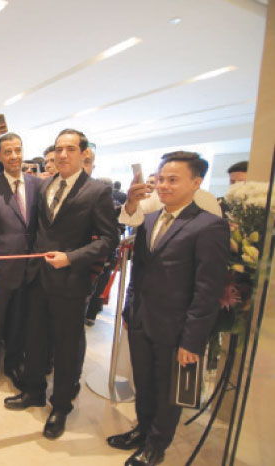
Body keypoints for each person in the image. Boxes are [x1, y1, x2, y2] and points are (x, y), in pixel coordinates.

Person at [108, 151, 228, 466]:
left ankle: (156, 446)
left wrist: (192, 341)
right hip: (141, 319)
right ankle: (142, 431)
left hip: (176, 327)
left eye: (173, 180)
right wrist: (128, 310)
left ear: (196, 183)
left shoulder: (208, 226)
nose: (163, 186)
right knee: (143, 384)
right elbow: (139, 271)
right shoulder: (149, 220)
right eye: (161, 179)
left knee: (167, 391)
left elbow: (208, 289)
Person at [6, 129, 118, 440]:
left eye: (70, 148)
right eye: (58, 149)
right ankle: (34, 391)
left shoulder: (97, 191)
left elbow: (110, 240)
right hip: (38, 277)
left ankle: (61, 405)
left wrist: (71, 258)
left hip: (71, 280)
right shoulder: (46, 187)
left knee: (68, 346)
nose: (62, 154)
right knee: (36, 338)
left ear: (84, 154)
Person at [0, 133, 44, 399]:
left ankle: (13, 364)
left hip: (30, 271)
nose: (15, 156)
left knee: (19, 323)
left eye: (18, 150)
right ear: (0, 156)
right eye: (8, 152)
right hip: (0, 270)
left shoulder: (36, 185)